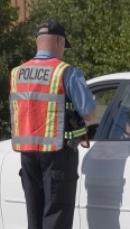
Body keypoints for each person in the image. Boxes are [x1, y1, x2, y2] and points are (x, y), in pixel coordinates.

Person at [9, 20, 96, 229]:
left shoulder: (17, 73)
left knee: (35, 218)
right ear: (59, 41)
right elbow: (90, 113)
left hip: (27, 155)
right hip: (58, 153)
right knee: (57, 217)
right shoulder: (65, 72)